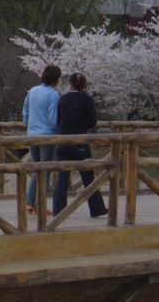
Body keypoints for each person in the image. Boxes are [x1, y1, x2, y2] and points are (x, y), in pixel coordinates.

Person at [53, 73, 108, 217]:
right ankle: (97, 209)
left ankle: (59, 210)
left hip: (63, 141)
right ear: (84, 84)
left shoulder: (63, 99)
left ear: (70, 83)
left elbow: (57, 121)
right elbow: (92, 121)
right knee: (88, 176)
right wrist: (83, 126)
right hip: (80, 141)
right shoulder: (87, 99)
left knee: (63, 177)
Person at [23, 65, 61, 214]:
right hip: (47, 135)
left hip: (32, 134)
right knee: (45, 170)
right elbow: (52, 119)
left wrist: (31, 125)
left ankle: (29, 202)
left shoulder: (32, 91)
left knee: (37, 168)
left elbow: (25, 114)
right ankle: (39, 205)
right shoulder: (53, 95)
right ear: (56, 79)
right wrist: (58, 131)